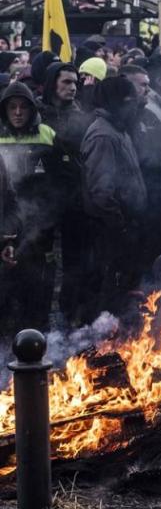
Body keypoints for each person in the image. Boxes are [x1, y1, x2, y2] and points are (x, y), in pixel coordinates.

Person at [79, 76, 147, 316]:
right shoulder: (103, 136)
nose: (134, 106)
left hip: (125, 225)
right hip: (110, 230)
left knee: (124, 289)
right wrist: (119, 226)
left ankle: (120, 341)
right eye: (128, 101)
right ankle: (98, 344)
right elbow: (101, 191)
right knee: (108, 291)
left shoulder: (120, 130)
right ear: (114, 102)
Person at [0, 81, 63, 330]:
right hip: (6, 225)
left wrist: (50, 214)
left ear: (31, 110)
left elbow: (62, 179)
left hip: (39, 228)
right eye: (12, 107)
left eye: (22, 107)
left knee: (37, 293)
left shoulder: (47, 134)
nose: (17, 113)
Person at [39, 61, 96, 325]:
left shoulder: (82, 118)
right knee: (44, 264)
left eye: (75, 82)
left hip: (75, 201)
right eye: (66, 82)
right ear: (53, 84)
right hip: (44, 202)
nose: (73, 87)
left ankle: (70, 314)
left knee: (75, 262)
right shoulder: (37, 116)